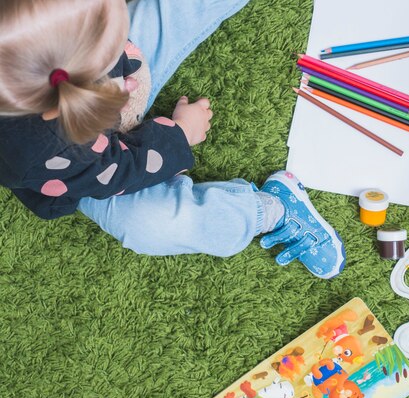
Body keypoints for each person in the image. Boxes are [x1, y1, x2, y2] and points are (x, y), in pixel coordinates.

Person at [0, 0, 345, 279]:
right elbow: (118, 171)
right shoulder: (48, 149)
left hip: (65, 98)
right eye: (109, 71)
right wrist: (178, 133)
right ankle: (271, 211)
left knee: (164, 13)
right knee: (149, 224)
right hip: (87, 177)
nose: (128, 83)